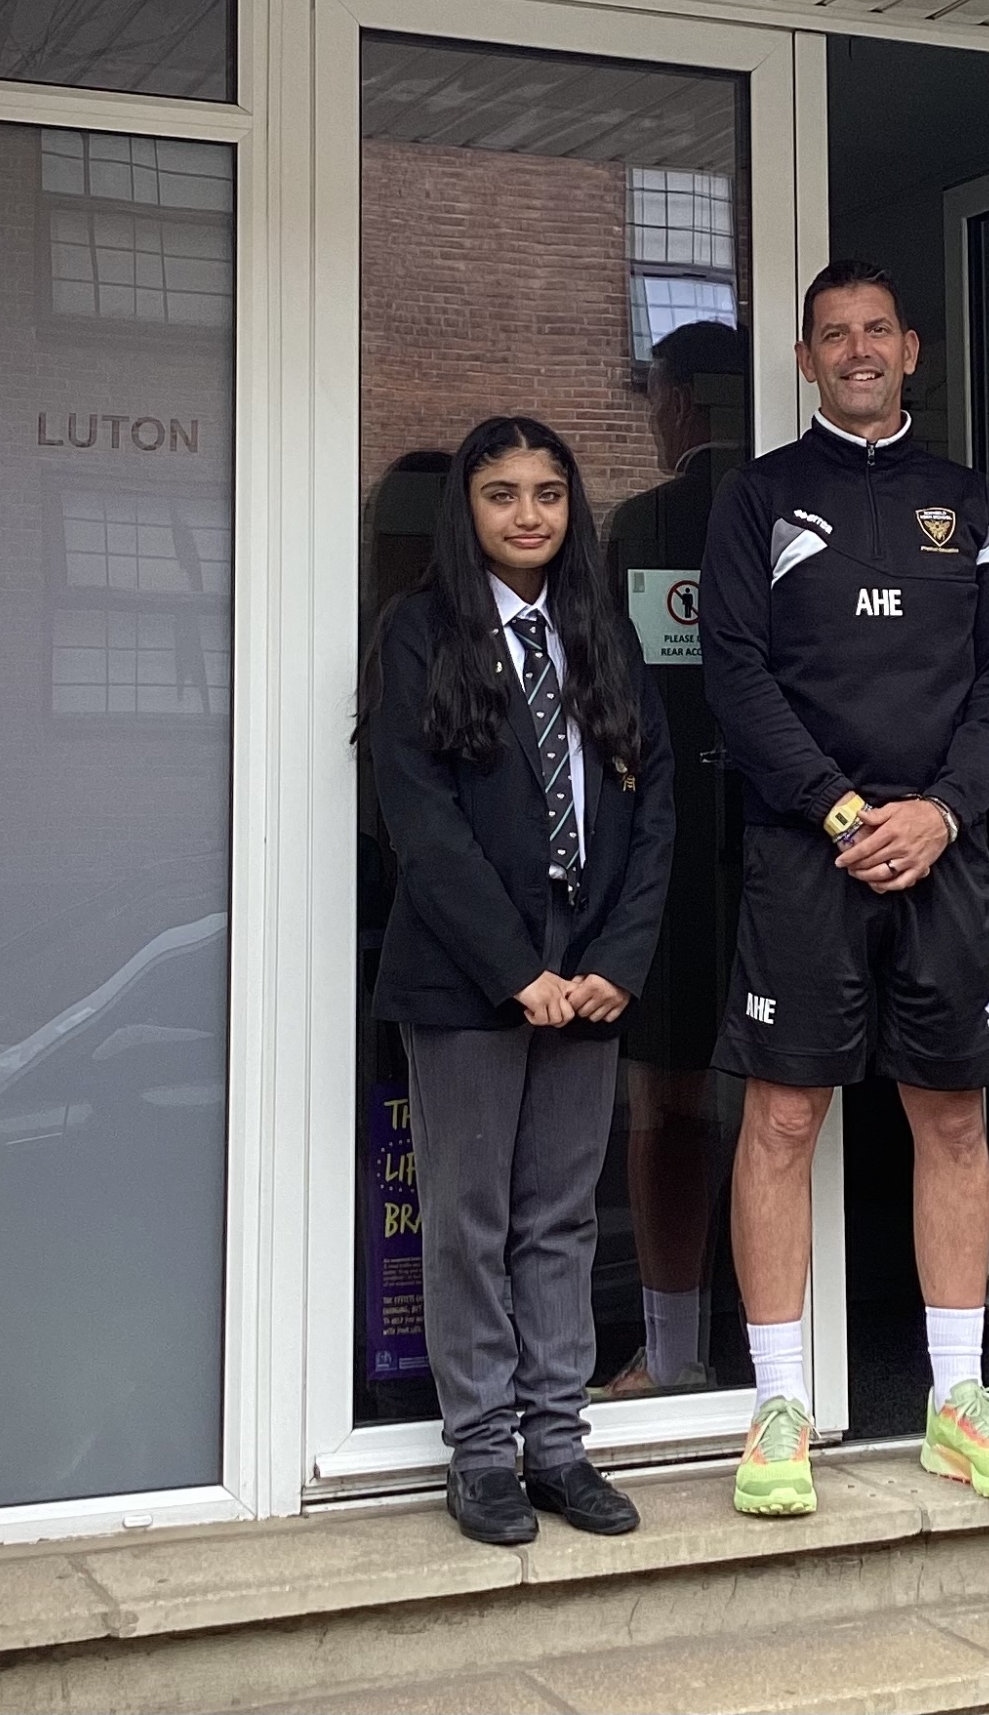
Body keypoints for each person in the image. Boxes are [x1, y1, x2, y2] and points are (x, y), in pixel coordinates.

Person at [698, 258, 989, 1518]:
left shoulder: (978, 502)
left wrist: (943, 811)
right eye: (831, 336)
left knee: (951, 1118)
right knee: (784, 1120)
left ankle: (955, 1402)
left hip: (947, 855)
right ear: (805, 361)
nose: (856, 351)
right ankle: (777, 1408)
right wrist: (847, 811)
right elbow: (735, 677)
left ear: (912, 350)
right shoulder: (758, 497)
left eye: (875, 332)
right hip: (809, 855)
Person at [365, 415, 675, 1546]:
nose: (529, 513)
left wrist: (611, 966)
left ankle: (557, 1443)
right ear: (468, 510)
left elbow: (655, 815)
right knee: (470, 1215)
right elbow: (421, 822)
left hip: (588, 978)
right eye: (503, 494)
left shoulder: (601, 633)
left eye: (549, 492)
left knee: (562, 1217)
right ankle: (482, 1451)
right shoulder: (419, 633)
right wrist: (517, 971)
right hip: (466, 980)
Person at [598, 320, 749, 1396]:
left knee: (665, 1107)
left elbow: (605, 700)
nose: (651, 419)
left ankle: (678, 1349)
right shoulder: (805, 511)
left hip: (675, 849)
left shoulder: (647, 523)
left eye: (652, 397)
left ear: (685, 402)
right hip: (804, 838)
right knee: (784, 1107)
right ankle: (789, 1351)